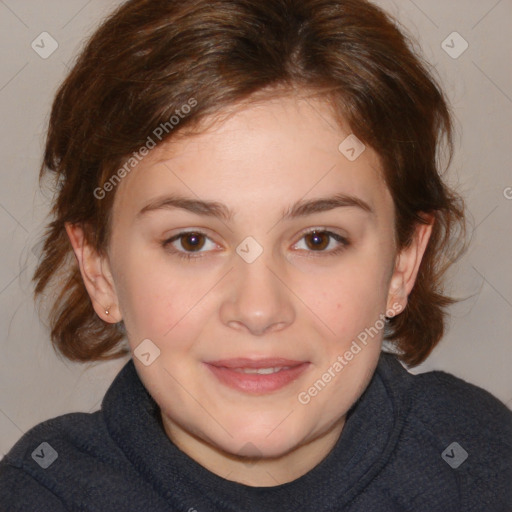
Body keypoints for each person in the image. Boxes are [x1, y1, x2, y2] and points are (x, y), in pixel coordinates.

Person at [0, 0, 510, 510]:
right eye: (192, 241)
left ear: (402, 264)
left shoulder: (481, 462)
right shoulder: (36, 494)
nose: (259, 309)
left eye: (318, 239)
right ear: (99, 271)